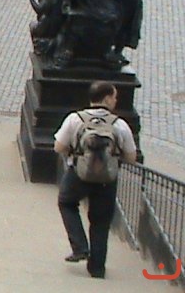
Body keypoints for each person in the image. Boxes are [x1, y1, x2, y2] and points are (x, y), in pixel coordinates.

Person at [53, 81, 137, 279]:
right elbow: (131, 157)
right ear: (106, 98)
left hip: (78, 174)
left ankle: (80, 246)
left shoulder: (75, 119)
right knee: (101, 221)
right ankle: (97, 268)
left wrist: (76, 153)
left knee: (66, 202)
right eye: (114, 97)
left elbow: (58, 146)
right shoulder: (119, 124)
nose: (115, 101)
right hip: (107, 178)